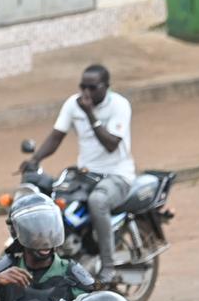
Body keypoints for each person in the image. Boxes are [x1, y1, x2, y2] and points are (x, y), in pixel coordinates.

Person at [19, 64, 135, 279]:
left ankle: (108, 266)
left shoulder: (119, 106)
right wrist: (35, 159)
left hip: (117, 175)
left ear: (106, 87)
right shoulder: (73, 104)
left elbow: (111, 144)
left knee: (97, 201)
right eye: (83, 87)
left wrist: (90, 114)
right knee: (55, 198)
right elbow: (56, 136)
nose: (86, 93)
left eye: (92, 87)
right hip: (85, 173)